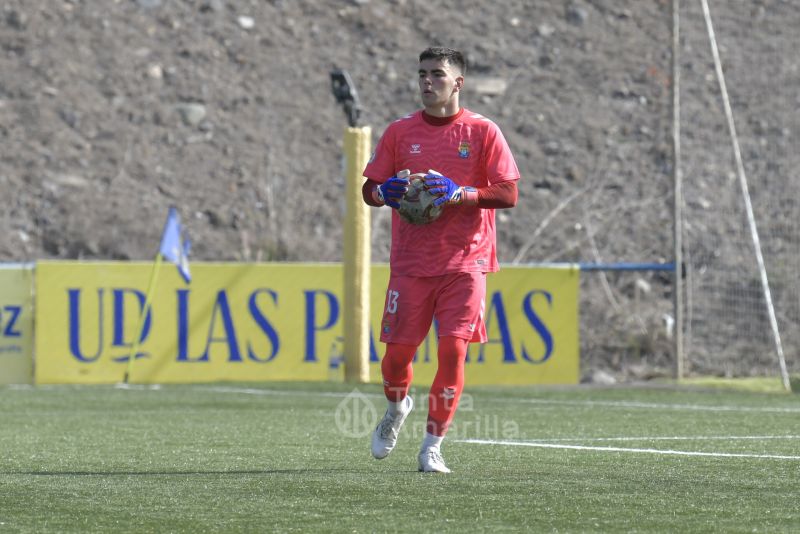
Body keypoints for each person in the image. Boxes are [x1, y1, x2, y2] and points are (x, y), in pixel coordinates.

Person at [361, 47, 520, 473]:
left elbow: (508, 193)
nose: (427, 81)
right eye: (422, 74)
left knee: (452, 351)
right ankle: (397, 408)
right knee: (396, 359)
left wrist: (460, 193)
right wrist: (383, 193)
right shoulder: (400, 132)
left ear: (458, 83)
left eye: (437, 74)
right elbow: (370, 190)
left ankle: (432, 447)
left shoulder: (482, 131)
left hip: (466, 262)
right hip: (412, 263)